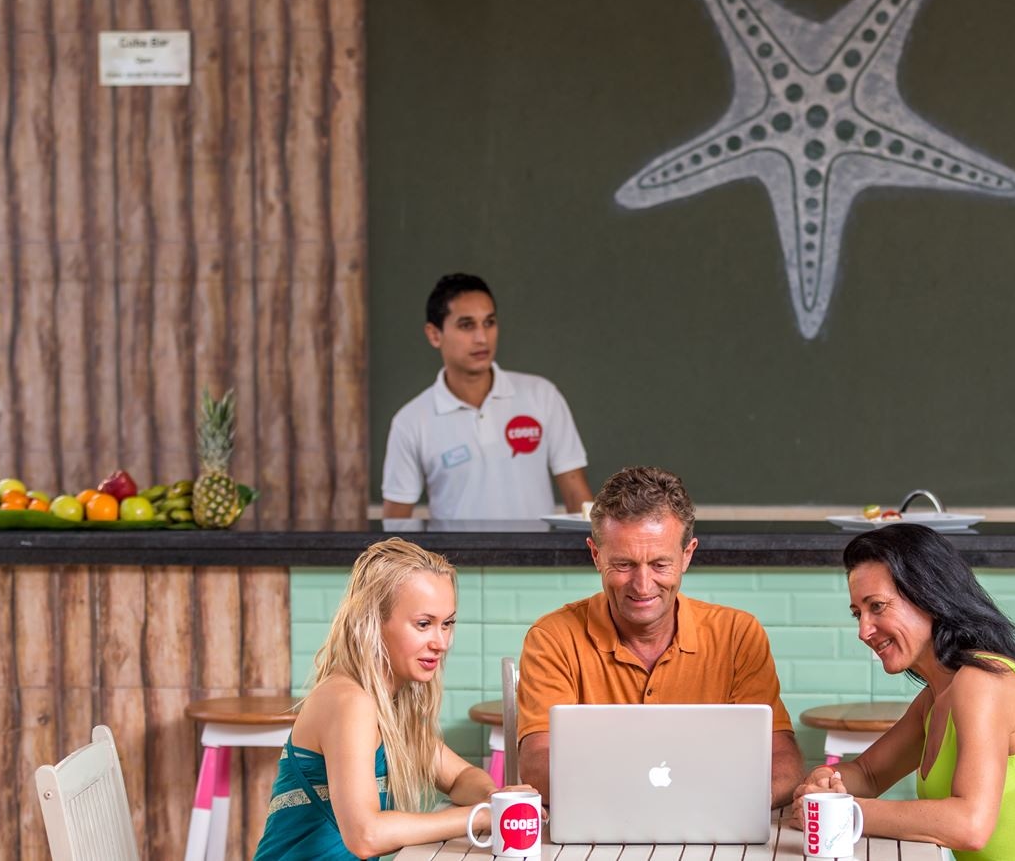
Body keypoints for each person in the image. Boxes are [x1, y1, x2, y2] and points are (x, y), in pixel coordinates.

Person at [794, 524, 1015, 861]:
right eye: (857, 614)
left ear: (929, 596)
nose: (864, 630)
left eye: (877, 606)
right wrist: (824, 781)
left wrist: (842, 813)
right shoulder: (936, 696)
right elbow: (868, 773)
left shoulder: (983, 681)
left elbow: (970, 825)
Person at [515, 466, 804, 807]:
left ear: (687, 555)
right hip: (599, 827)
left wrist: (724, 804)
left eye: (660, 565)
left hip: (714, 821)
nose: (643, 585)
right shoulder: (553, 638)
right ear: (596, 555)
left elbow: (783, 760)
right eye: (623, 564)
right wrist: (643, 800)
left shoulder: (738, 635)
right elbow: (536, 761)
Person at [254, 538, 523, 860]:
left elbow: (459, 777)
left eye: (447, 624)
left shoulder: (394, 704)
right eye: (424, 624)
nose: (441, 642)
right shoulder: (349, 701)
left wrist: (495, 799)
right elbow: (366, 835)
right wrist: (480, 817)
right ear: (373, 622)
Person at [382, 273, 593, 521]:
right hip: (450, 561)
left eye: (489, 322)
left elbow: (577, 498)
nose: (482, 337)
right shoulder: (411, 421)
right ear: (434, 335)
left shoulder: (541, 396)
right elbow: (396, 526)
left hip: (539, 560)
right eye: (466, 325)